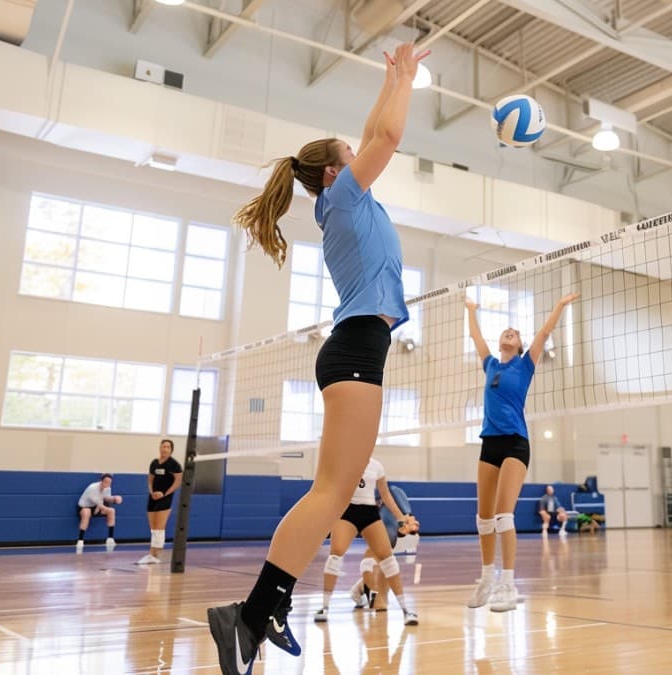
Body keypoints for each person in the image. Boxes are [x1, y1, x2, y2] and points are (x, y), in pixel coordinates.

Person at [206, 41, 429, 675]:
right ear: (336, 173)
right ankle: (254, 611)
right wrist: (406, 83)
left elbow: (367, 131)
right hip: (358, 348)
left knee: (328, 491)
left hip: (357, 349)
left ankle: (256, 613)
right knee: (331, 493)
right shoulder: (347, 198)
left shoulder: (342, 198)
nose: (361, 157)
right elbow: (385, 132)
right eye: (351, 159)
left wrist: (393, 75)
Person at [464, 291, 580, 613]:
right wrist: (472, 309)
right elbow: (475, 336)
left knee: (503, 516)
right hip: (489, 442)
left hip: (515, 442)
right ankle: (487, 577)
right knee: (483, 519)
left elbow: (543, 334)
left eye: (514, 333)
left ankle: (508, 584)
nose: (509, 333)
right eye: (505, 332)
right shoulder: (489, 364)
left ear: (519, 343)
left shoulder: (525, 364)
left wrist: (558, 305)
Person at [312, 457, 417, 626]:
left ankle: (406, 610)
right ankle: (324, 607)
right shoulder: (342, 461)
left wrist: (400, 517)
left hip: (369, 513)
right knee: (336, 553)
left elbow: (385, 494)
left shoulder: (376, 466)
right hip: (347, 511)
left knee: (387, 558)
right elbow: (329, 489)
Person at [137, 439, 183, 565]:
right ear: (160, 448)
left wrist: (164, 493)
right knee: (153, 527)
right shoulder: (154, 463)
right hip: (153, 496)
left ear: (171, 450)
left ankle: (153, 554)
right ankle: (155, 552)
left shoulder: (174, 464)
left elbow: (177, 482)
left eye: (168, 447)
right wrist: (152, 492)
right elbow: (150, 480)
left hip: (165, 496)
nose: (165, 449)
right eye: (163, 446)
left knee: (159, 527)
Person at [76, 473, 121, 554]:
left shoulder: (107, 488)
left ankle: (110, 538)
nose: (108, 484)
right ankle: (80, 540)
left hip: (97, 506)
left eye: (109, 483)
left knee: (112, 511)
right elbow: (100, 505)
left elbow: (107, 498)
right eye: (106, 482)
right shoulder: (93, 488)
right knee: (87, 513)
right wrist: (101, 507)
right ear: (101, 481)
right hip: (85, 506)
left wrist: (115, 499)